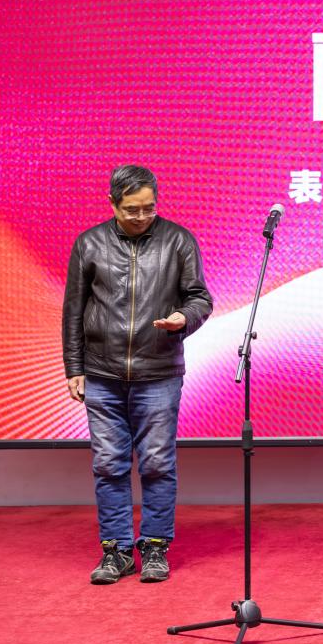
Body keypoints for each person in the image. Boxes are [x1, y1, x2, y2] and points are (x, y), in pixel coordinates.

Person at [63, 165, 213, 584]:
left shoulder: (178, 240)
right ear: (112, 203)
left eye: (149, 208)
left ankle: (155, 547)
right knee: (108, 464)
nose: (142, 216)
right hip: (101, 373)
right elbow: (74, 311)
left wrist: (184, 318)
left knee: (157, 463)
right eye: (132, 210)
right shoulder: (89, 243)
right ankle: (116, 551)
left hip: (159, 372)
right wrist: (74, 367)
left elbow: (200, 298)